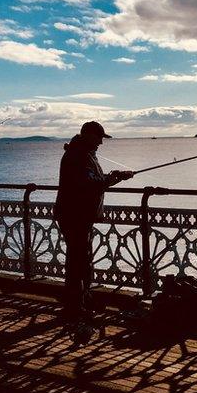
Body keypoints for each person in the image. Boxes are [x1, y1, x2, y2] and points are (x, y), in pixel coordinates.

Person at [55, 121, 133, 328]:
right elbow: (89, 184)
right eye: (99, 137)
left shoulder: (83, 153)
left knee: (82, 259)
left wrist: (114, 177)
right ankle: (75, 305)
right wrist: (115, 178)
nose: (101, 142)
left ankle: (83, 299)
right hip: (75, 216)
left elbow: (94, 179)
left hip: (78, 215)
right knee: (78, 261)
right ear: (88, 135)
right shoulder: (77, 156)